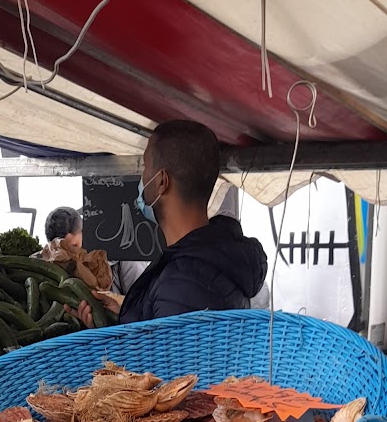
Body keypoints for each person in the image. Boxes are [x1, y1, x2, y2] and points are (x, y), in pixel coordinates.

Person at [81, 120, 267, 327]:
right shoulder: (204, 261)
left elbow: (162, 359)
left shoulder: (182, 284)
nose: (142, 178)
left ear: (162, 181)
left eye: (145, 166)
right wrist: (126, 315)